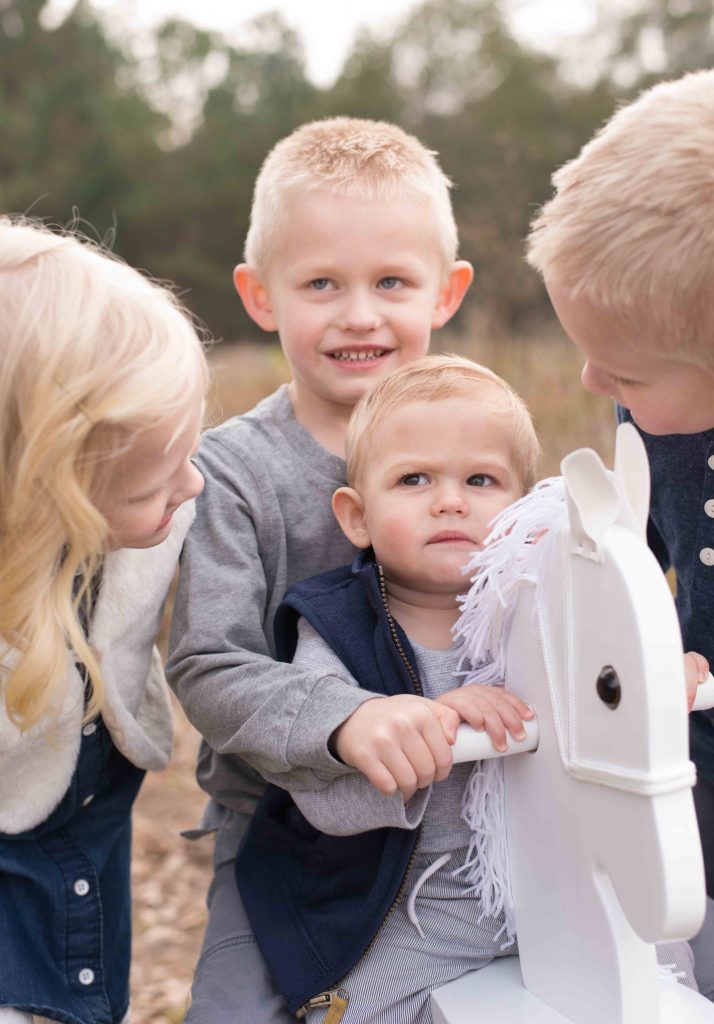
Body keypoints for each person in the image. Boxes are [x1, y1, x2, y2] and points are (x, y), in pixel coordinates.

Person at [166, 117, 473, 1023]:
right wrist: (347, 720)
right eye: (321, 284)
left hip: (466, 816)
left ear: (445, 292)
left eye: (391, 282)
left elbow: (539, 595)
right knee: (238, 1010)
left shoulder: (480, 438)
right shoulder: (232, 473)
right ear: (260, 296)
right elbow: (206, 664)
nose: (359, 314)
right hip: (284, 834)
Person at [233, 355, 534, 1020]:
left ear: (525, 508)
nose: (450, 499)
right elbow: (328, 802)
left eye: (481, 479)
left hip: (550, 897)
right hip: (404, 913)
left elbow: (615, 685)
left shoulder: (546, 609)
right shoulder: (337, 630)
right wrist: (427, 720)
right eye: (414, 478)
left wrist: (658, 668)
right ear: (356, 516)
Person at [525, 68, 714, 994]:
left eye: (628, 373)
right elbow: (633, 558)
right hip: (682, 763)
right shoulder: (657, 411)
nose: (596, 384)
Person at [0, 217, 208, 1024]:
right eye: (154, 483)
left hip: (88, 842)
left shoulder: (156, 503)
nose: (190, 486)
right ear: (47, 495)